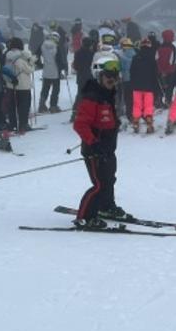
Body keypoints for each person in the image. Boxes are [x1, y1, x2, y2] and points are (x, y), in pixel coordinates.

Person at [73, 54, 126, 228]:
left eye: (115, 77)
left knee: (109, 179)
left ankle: (106, 207)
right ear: (99, 76)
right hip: (94, 150)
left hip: (108, 148)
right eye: (108, 76)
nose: (112, 80)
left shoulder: (108, 94)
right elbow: (80, 125)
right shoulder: (92, 96)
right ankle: (85, 217)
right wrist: (94, 143)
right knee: (99, 185)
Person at [4, 37, 35, 134]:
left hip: (10, 85)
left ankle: (12, 123)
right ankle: (23, 124)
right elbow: (29, 70)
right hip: (23, 85)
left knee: (12, 106)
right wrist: (32, 62)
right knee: (24, 106)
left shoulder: (8, 56)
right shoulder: (21, 57)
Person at [129, 36, 159, 134]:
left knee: (137, 105)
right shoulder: (152, 58)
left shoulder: (135, 57)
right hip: (149, 86)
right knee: (148, 105)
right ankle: (149, 123)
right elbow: (155, 74)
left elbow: (131, 72)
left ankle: (136, 123)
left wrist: (132, 83)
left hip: (136, 86)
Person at [39, 31, 62, 113]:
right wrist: (62, 68)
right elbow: (60, 60)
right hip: (55, 72)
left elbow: (36, 54)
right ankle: (53, 106)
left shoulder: (43, 45)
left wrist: (39, 64)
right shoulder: (57, 47)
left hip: (46, 71)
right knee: (55, 90)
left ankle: (41, 105)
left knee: (45, 89)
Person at [155, 29, 176, 108]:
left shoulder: (159, 47)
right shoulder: (173, 47)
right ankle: (168, 101)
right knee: (169, 87)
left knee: (161, 86)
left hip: (160, 70)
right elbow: (172, 60)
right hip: (170, 71)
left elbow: (156, 58)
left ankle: (159, 100)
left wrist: (160, 69)